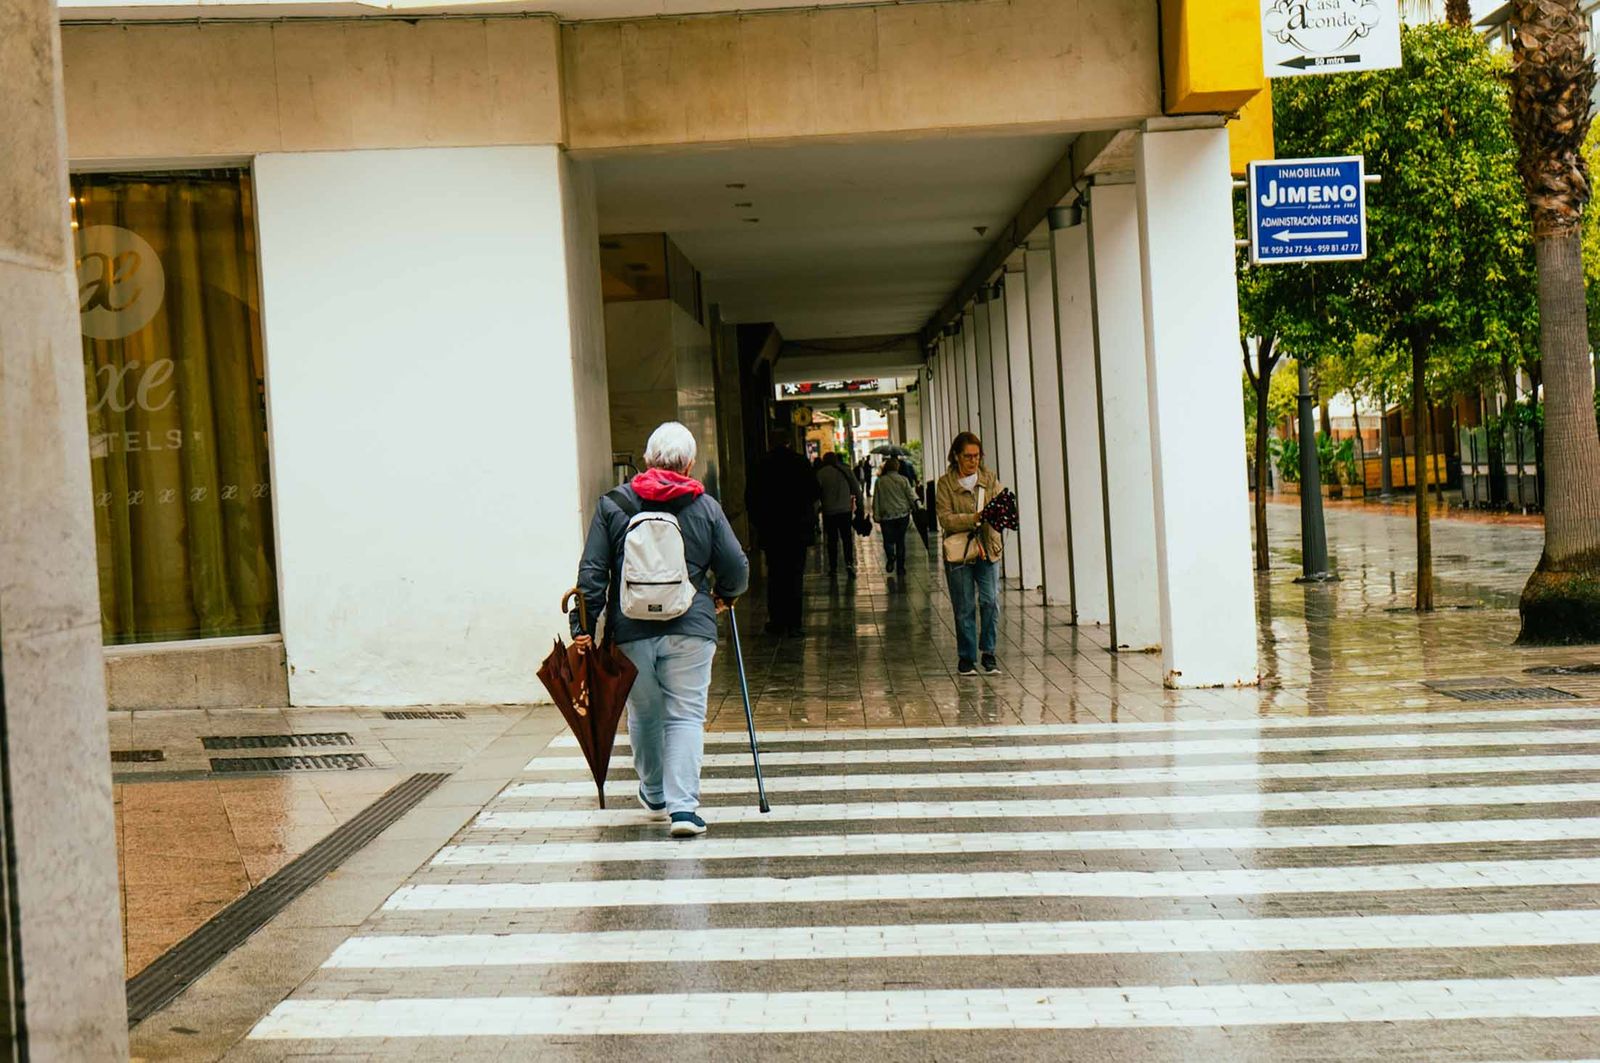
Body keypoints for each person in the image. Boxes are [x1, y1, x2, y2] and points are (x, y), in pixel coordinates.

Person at [572, 422, 749, 838]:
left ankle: (654, 793)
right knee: (685, 715)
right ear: (689, 464)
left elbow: (593, 572)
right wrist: (724, 595)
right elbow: (737, 567)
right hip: (691, 628)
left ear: (647, 459)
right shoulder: (705, 507)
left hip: (631, 632)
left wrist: (583, 625)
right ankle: (684, 810)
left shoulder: (613, 505)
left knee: (644, 711)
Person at [934, 431, 1004, 677]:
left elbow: (1001, 508)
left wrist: (997, 514)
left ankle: (989, 652)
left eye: (977, 456)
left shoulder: (989, 479)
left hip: (987, 549)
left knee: (990, 600)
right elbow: (946, 519)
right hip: (960, 552)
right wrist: (972, 518)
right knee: (964, 606)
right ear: (956, 456)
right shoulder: (945, 484)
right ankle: (966, 657)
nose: (973, 461)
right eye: (968, 456)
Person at [746, 433, 820, 636]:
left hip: (772, 531)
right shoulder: (800, 463)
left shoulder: (762, 465)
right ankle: (794, 623)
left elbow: (750, 498)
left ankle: (777, 621)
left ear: (771, 442)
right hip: (797, 531)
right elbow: (814, 492)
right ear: (788, 442)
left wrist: (758, 523)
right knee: (795, 576)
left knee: (776, 576)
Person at [816, 451, 860, 577]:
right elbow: (857, 489)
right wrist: (860, 507)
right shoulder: (846, 470)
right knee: (847, 538)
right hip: (845, 511)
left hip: (829, 512)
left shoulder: (821, 473)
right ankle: (849, 563)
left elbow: (816, 494)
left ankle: (833, 567)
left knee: (832, 540)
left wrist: (815, 511)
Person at [872, 456, 915, 577]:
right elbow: (910, 496)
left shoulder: (880, 481)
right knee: (900, 541)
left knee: (888, 540)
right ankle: (901, 568)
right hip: (902, 515)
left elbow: (877, 499)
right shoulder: (903, 479)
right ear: (897, 467)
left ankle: (891, 557)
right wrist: (915, 506)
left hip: (887, 516)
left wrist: (876, 514)